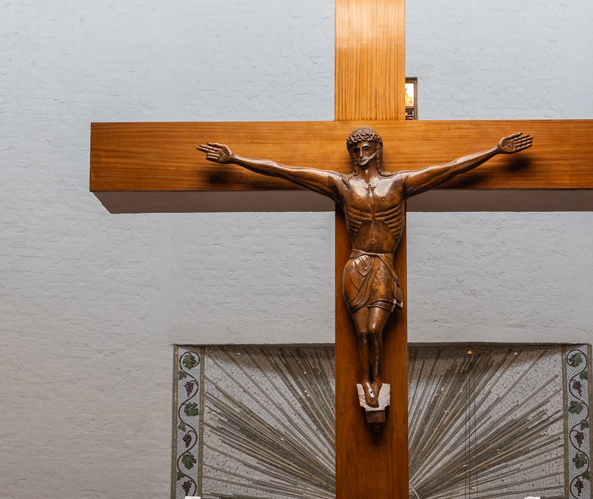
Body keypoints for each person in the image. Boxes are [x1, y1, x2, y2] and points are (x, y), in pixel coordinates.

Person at [198, 127, 532, 409]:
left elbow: (451, 169)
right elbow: (286, 171)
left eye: (366, 146)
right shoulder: (342, 186)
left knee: (375, 329)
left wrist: (495, 151)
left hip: (384, 264)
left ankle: (377, 380)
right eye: (355, 148)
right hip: (356, 264)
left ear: (378, 149)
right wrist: (236, 159)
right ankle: (368, 383)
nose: (360, 152)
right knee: (362, 332)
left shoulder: (399, 184)